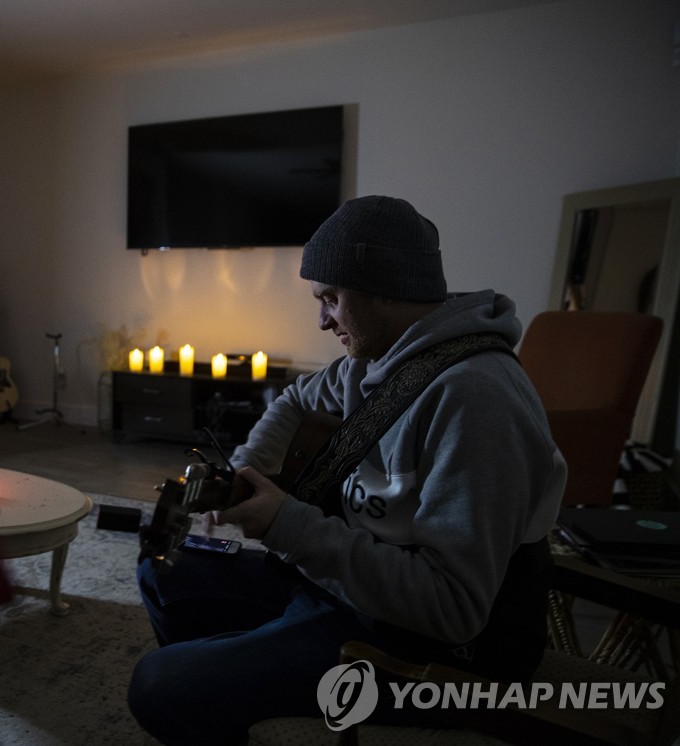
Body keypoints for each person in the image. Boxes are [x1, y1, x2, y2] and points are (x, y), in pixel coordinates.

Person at [128, 195, 567, 744]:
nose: (320, 320)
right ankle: (247, 677)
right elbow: (293, 400)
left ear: (384, 287)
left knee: (159, 685)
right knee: (162, 571)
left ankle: (240, 677)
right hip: (354, 588)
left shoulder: (477, 400)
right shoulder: (379, 359)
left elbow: (453, 610)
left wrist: (286, 525)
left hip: (435, 650)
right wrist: (247, 470)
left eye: (331, 299)